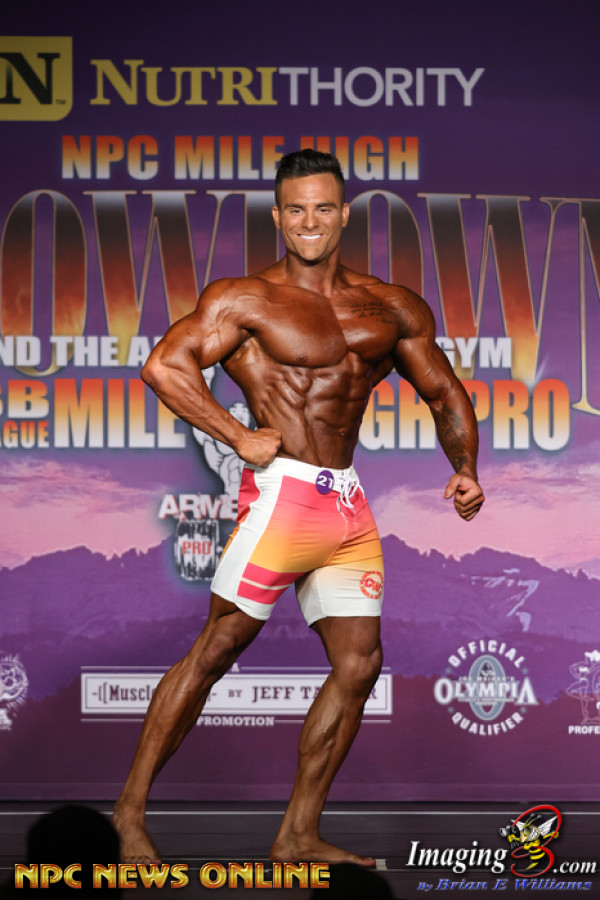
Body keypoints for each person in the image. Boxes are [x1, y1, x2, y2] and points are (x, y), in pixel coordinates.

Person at [113, 149, 484, 866]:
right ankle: (128, 815)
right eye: (295, 209)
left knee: (360, 665)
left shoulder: (391, 306)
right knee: (218, 647)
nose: (309, 221)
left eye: (322, 208)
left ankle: (297, 834)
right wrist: (236, 436)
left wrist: (465, 468)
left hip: (345, 501)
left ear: (343, 214)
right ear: (278, 217)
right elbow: (163, 365)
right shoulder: (245, 299)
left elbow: (443, 392)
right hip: (281, 495)